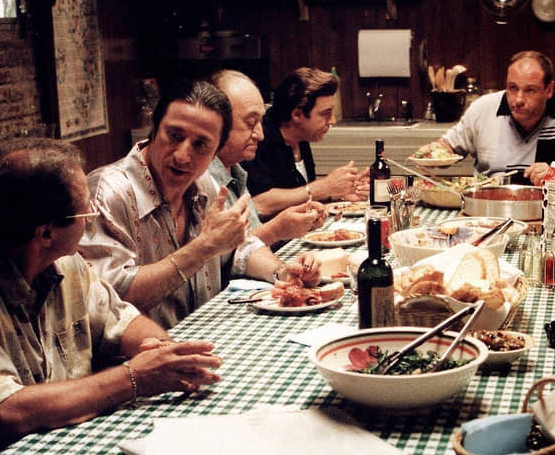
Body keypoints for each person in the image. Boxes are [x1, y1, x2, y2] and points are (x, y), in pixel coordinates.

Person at [0, 139, 222, 455]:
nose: (92, 216)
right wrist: (135, 377)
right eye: (85, 210)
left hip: (69, 447)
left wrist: (159, 351)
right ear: (46, 233)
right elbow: (6, 411)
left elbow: (122, 319)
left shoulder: (62, 260)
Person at [79, 79, 319, 329]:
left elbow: (240, 247)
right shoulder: (108, 192)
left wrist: (282, 273)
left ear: (217, 152)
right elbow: (109, 300)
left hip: (204, 334)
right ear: (154, 129)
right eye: (174, 136)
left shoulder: (203, 183)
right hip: (144, 350)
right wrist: (203, 248)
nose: (182, 156)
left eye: (200, 144)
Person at [414, 51, 555, 194]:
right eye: (512, 88)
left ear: (549, 90)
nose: (518, 99)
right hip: (488, 208)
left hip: (550, 212)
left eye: (530, 90)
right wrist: (430, 154)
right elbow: (446, 146)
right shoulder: (483, 108)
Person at [208, 69, 326, 248]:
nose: (260, 135)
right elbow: (222, 255)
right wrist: (278, 229)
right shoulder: (202, 180)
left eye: (260, 122)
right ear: (217, 123)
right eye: (250, 123)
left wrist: (291, 227)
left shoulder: (236, 170)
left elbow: (250, 245)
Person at [242, 67, 369, 218]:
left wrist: (337, 193)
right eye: (326, 113)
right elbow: (260, 204)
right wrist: (325, 186)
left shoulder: (301, 135)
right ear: (297, 115)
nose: (333, 121)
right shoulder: (260, 138)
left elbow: (300, 195)